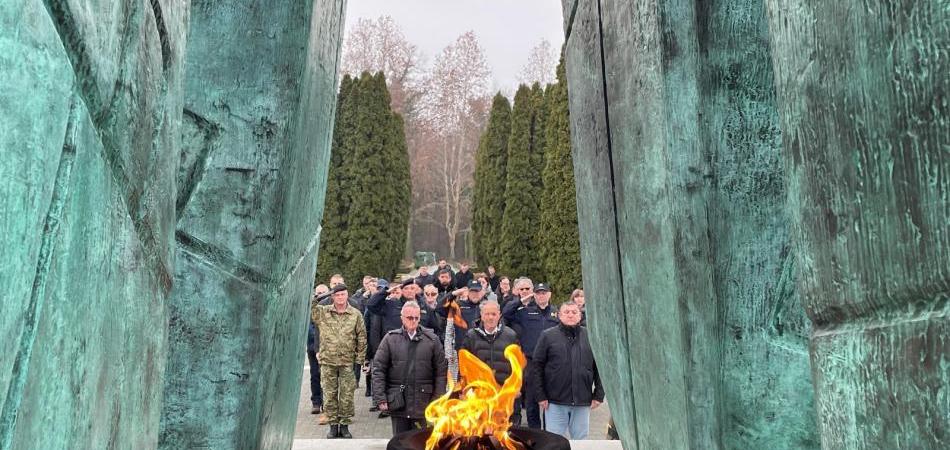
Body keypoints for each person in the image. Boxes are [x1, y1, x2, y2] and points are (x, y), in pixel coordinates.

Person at [373, 302, 448, 435]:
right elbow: (379, 369)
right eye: (409, 318)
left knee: (420, 442)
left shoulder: (432, 340)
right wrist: (381, 398)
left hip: (423, 402)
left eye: (416, 318)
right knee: (400, 442)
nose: (413, 321)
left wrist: (438, 399)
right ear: (402, 318)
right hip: (398, 402)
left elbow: (441, 372)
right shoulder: (390, 339)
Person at [532, 302, 604, 439]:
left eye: (574, 312)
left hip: (582, 401)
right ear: (559, 315)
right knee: (554, 441)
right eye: (566, 312)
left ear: (580, 315)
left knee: (581, 441)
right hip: (555, 402)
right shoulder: (547, 336)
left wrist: (599, 395)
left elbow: (599, 367)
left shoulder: (591, 336)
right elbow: (537, 366)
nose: (570, 315)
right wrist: (540, 395)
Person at [311, 284, 368, 439]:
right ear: (332, 297)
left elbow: (362, 337)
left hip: (347, 362)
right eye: (337, 295)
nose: (340, 298)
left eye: (343, 294)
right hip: (328, 361)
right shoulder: (323, 312)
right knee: (329, 395)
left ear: (347, 295)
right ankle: (333, 426)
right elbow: (308, 308)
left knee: (347, 395)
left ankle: (344, 426)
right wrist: (319, 296)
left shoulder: (355, 314)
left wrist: (360, 359)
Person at [502, 279, 559, 429]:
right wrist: (521, 300)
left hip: (551, 362)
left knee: (550, 400)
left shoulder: (556, 312)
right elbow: (506, 314)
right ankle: (535, 432)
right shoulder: (525, 311)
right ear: (535, 295)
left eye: (544, 293)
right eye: (538, 294)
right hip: (532, 361)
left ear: (549, 295)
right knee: (532, 400)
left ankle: (549, 432)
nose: (541, 296)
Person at [461, 300, 520, 423]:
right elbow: (464, 365)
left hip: (504, 393)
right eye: (487, 314)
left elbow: (518, 365)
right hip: (479, 395)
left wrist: (517, 388)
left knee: (504, 432)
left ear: (499, 315)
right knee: (480, 432)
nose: (490, 317)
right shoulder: (471, 336)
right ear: (481, 316)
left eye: (493, 314)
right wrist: (466, 389)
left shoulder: (511, 335)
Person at [308, 284, 329, 423]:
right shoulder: (312, 307)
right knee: (315, 375)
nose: (320, 294)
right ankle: (316, 402)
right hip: (312, 346)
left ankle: (328, 404)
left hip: (327, 348)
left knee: (327, 377)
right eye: (318, 292)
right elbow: (310, 327)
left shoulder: (329, 307)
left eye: (323, 292)